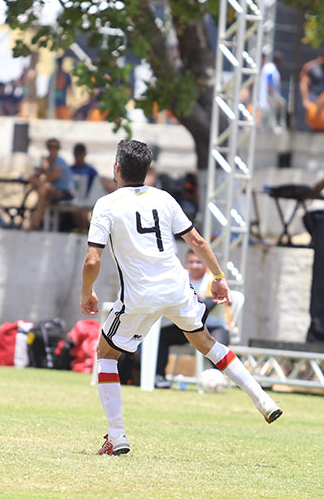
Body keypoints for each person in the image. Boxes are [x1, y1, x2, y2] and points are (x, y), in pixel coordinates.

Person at [80, 139, 282, 455]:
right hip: (177, 288)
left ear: (117, 168)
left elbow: (93, 259)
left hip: (140, 295)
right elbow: (197, 240)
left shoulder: (106, 204)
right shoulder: (164, 198)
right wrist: (218, 278)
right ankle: (263, 400)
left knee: (106, 354)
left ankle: (117, 436)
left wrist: (86, 292)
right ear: (147, 171)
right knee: (205, 344)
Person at [154, 251, 233, 388]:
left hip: (215, 327)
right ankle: (159, 377)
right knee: (161, 336)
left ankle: (219, 381)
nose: (195, 266)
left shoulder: (212, 280)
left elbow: (207, 306)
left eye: (199, 262)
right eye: (191, 262)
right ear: (186, 263)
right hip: (190, 325)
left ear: (205, 264)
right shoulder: (181, 279)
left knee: (218, 348)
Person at [23, 138, 75, 231]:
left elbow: (50, 178)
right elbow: (35, 177)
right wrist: (39, 171)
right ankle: (36, 221)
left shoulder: (60, 162)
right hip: (49, 191)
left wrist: (46, 168)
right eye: (50, 147)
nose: (52, 149)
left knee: (44, 189)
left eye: (55, 147)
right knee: (42, 189)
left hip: (64, 192)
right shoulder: (46, 160)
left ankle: (36, 222)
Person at [300, 50, 324, 131]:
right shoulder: (311, 67)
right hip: (313, 99)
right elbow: (304, 83)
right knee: (313, 121)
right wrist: (305, 100)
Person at [257, 53, 286, 132]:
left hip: (269, 94)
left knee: (268, 112)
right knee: (271, 111)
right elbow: (270, 79)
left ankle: (269, 127)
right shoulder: (270, 68)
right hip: (269, 94)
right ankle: (274, 127)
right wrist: (271, 92)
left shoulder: (269, 67)